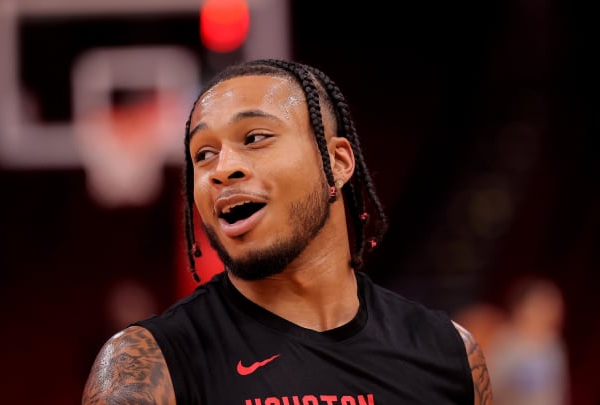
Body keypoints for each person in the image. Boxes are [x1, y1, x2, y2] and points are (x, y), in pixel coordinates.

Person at [82, 59, 492, 404]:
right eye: (203, 154)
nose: (222, 168)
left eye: (255, 137)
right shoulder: (145, 367)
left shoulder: (449, 353)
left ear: (338, 161)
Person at [487, 275, 570, 405]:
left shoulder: (554, 345)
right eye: (541, 305)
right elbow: (491, 386)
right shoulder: (506, 340)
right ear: (522, 308)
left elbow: (559, 391)